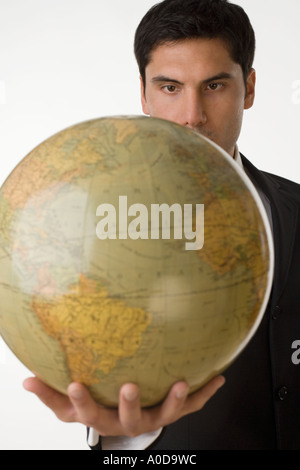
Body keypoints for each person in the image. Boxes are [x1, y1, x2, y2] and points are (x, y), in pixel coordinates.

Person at [23, 0, 300, 450]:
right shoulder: (98, 224)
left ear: (248, 88)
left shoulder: (296, 205)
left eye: (214, 85)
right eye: (170, 87)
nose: (192, 115)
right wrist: (125, 435)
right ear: (143, 94)